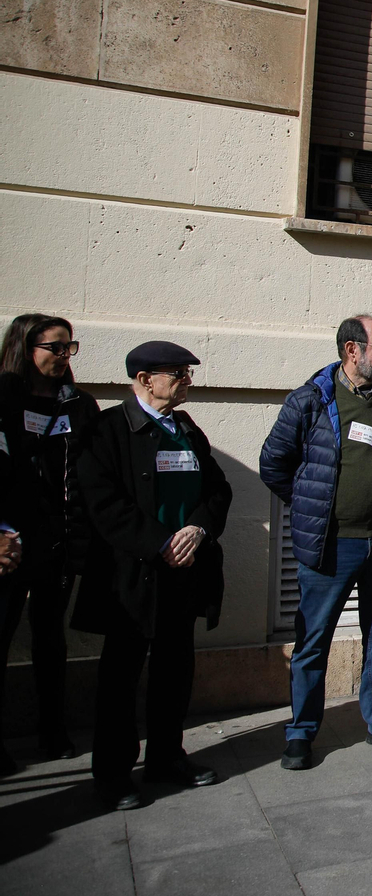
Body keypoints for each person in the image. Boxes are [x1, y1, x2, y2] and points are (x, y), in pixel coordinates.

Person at [75, 341, 231, 810]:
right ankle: (113, 773)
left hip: (185, 572)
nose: (186, 381)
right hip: (132, 577)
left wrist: (199, 529)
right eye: (178, 373)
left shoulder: (185, 428)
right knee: (120, 674)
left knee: (174, 667)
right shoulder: (106, 430)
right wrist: (161, 542)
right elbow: (103, 505)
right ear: (145, 379)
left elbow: (217, 489)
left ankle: (168, 757)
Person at [259, 315, 372, 771]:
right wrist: (312, 507)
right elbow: (274, 465)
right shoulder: (308, 401)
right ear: (353, 351)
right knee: (314, 641)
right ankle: (301, 734)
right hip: (331, 546)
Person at [0, 315, 100, 774]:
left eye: (68, 348)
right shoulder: (3, 398)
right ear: (26, 346)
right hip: (9, 540)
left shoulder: (78, 406)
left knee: (49, 635)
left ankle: (52, 729)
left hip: (58, 540)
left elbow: (93, 473)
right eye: (54, 347)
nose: (63, 356)